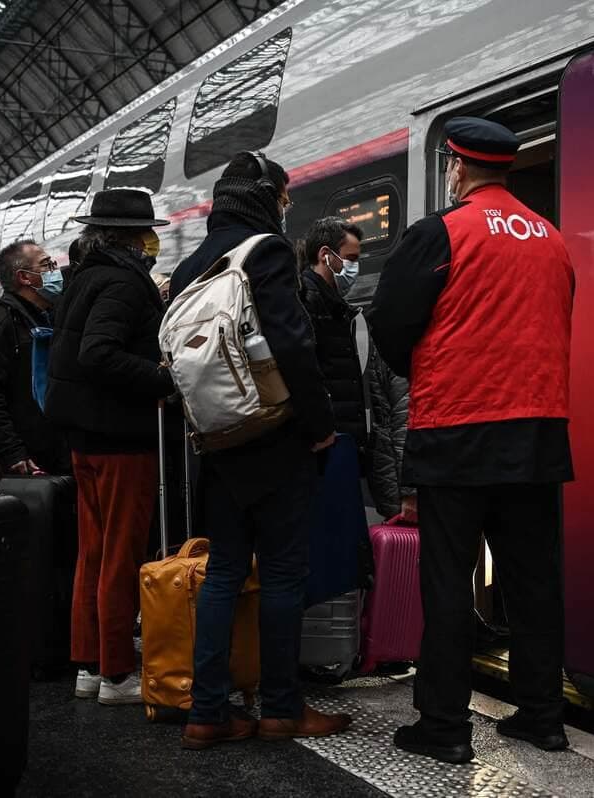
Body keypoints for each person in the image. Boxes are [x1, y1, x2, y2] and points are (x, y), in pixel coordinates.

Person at [368, 118, 575, 763]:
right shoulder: (553, 240)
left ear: (456, 168)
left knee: (449, 584)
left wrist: (421, 365)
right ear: (505, 170)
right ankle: (542, 715)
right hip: (538, 434)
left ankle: (446, 728)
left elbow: (389, 325)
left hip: (457, 431)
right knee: (534, 582)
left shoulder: (441, 233)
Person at [170, 152, 349, 750]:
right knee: (279, 575)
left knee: (223, 571)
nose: (286, 206)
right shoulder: (264, 252)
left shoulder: (194, 260)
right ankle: (279, 708)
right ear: (265, 197)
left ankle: (207, 711)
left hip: (218, 442)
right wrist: (320, 424)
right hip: (273, 438)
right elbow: (293, 345)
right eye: (284, 195)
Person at [43, 189, 175, 706]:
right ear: (129, 236)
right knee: (121, 556)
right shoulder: (123, 281)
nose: (154, 241)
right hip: (121, 438)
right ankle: (118, 673)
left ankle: (89, 667)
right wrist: (160, 377)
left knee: (93, 556)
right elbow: (98, 353)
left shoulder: (84, 278)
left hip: (85, 438)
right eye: (149, 232)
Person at [0, 239, 70, 475]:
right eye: (47, 265)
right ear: (24, 277)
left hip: (57, 447)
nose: (56, 272)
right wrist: (12, 452)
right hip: (29, 457)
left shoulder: (48, 317)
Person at [298, 218, 367, 457]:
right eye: (350, 259)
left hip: (341, 443)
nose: (354, 269)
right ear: (325, 255)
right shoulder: (306, 303)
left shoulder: (336, 307)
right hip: (326, 447)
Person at [366, 347, 415, 522]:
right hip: (401, 484)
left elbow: (404, 421)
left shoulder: (390, 342)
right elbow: (404, 422)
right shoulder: (399, 345)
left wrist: (410, 492)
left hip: (398, 481)